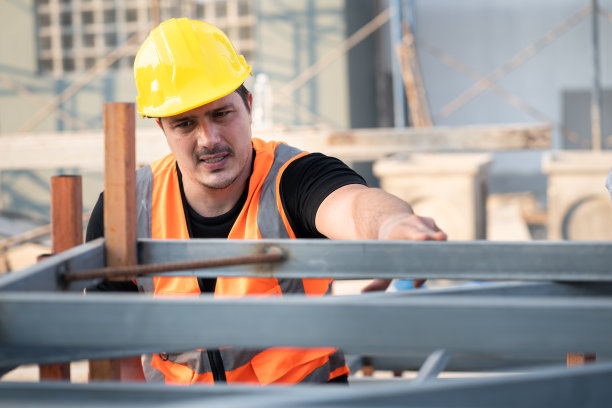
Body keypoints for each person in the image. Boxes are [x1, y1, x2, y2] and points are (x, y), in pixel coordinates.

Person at [86, 18, 446, 386]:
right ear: (162, 128)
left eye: (221, 114)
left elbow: (353, 206)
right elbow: (116, 355)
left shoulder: (294, 179)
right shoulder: (125, 208)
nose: (208, 138)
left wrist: (391, 226)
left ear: (249, 106)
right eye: (184, 123)